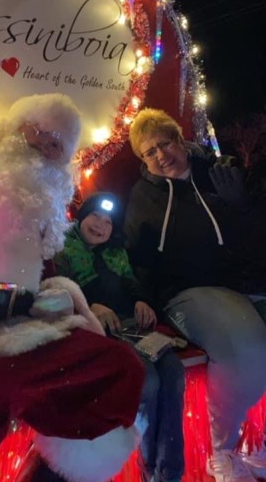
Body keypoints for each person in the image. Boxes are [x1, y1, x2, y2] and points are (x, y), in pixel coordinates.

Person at [0, 35, 146, 482]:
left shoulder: (43, 207)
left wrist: (69, 301)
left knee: (117, 373)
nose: (43, 145)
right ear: (11, 127)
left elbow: (48, 274)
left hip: (12, 331)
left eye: (57, 144)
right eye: (36, 130)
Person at [123, 108, 266, 482]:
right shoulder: (145, 196)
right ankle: (224, 451)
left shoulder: (220, 173)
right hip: (189, 293)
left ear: (180, 138)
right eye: (149, 152)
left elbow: (258, 237)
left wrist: (242, 205)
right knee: (245, 350)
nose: (161, 156)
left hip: (248, 282)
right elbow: (136, 258)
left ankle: (257, 442)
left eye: (165, 143)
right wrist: (145, 300)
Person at [54, 191, 186, 482]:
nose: (101, 225)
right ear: (82, 216)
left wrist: (141, 301)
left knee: (174, 374)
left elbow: (131, 284)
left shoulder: (116, 251)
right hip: (99, 329)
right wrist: (90, 306)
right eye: (95, 217)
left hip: (131, 324)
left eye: (109, 222)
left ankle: (171, 472)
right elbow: (58, 289)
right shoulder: (62, 247)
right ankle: (151, 467)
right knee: (147, 379)